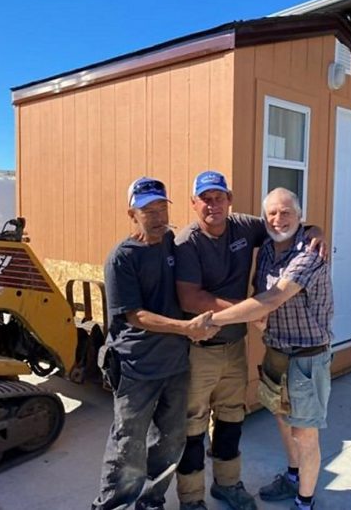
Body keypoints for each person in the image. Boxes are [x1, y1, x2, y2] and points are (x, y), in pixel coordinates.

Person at [174, 172, 326, 510]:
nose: (213, 205)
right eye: (205, 198)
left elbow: (285, 223)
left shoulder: (244, 225)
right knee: (193, 424)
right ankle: (192, 497)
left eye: (218, 197)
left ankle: (227, 484)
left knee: (231, 418)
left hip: (235, 346)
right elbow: (189, 299)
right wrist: (249, 312)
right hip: (201, 350)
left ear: (229, 198)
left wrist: (316, 230)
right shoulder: (187, 242)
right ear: (194, 203)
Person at [92, 177, 218, 510]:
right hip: (136, 367)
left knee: (170, 441)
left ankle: (151, 502)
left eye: (162, 207)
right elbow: (134, 315)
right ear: (131, 212)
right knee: (128, 445)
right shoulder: (122, 257)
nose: (158, 215)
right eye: (148, 209)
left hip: (175, 366)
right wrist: (186, 327)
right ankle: (114, 505)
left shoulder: (172, 245)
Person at [209, 187, 333, 510]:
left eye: (287, 212)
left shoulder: (310, 254)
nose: (279, 219)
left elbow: (273, 297)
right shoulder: (265, 249)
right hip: (275, 352)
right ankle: (293, 476)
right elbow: (258, 292)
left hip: (306, 358)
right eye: (272, 214)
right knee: (281, 417)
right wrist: (260, 320)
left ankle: (304, 502)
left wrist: (212, 320)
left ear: (301, 217)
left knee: (305, 434)